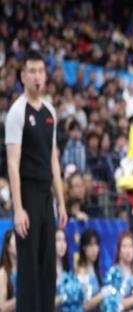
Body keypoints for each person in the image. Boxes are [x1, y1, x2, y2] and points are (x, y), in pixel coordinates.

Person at [5, 49, 68, 311]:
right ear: (23, 76)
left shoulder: (50, 111)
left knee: (48, 267)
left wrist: (61, 203)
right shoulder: (17, 112)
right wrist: (18, 209)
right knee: (29, 269)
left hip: (46, 196)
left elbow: (53, 160)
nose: (37, 76)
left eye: (41, 71)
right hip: (27, 194)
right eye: (31, 71)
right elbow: (12, 163)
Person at [55, 228, 84, 311]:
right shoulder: (44, 271)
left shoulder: (68, 271)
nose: (62, 244)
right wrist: (64, 297)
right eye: (58, 240)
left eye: (64, 240)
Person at [75, 228, 104, 312]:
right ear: (84, 247)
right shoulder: (81, 271)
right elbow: (83, 306)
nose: (94, 249)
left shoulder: (96, 269)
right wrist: (103, 294)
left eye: (96, 245)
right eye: (91, 245)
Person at [0, 229, 17, 312]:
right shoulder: (3, 273)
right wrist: (22, 297)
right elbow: (2, 307)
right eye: (17, 242)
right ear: (8, 247)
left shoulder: (29, 271)